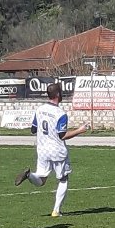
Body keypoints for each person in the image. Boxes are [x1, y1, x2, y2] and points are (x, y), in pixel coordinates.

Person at [14, 82, 90, 217]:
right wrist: (80, 130)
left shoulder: (40, 109)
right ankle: (56, 210)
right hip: (57, 151)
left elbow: (33, 129)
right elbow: (63, 135)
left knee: (41, 180)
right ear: (58, 95)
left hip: (42, 149)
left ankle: (29, 175)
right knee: (63, 179)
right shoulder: (60, 114)